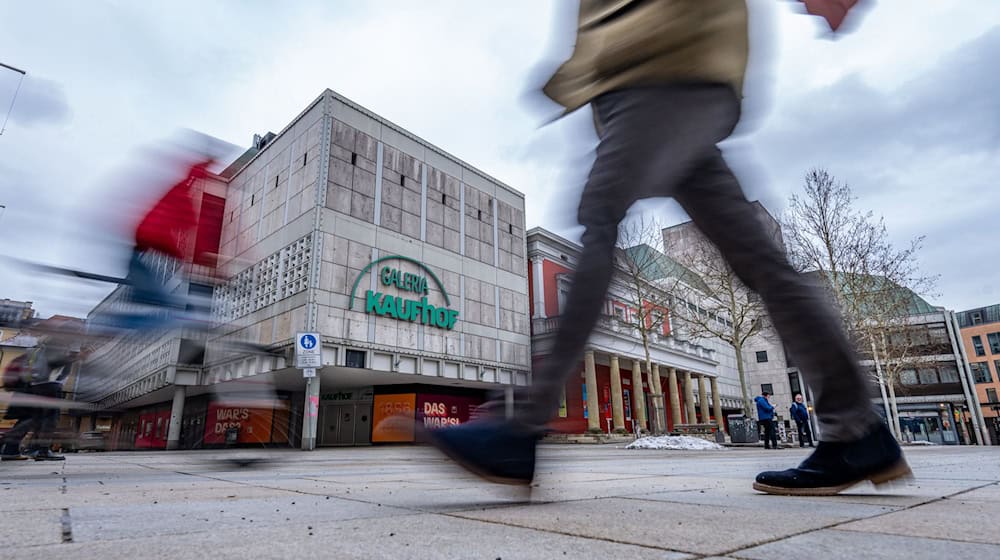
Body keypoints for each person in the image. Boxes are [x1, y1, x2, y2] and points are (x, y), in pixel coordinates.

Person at [424, 0, 911, 496]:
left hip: (659, 72)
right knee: (762, 264)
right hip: (667, 73)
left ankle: (520, 428)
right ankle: (857, 431)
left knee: (601, 222)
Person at [0, 318, 83, 461]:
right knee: (49, 419)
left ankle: (12, 449)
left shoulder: (46, 343)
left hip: (34, 385)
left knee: (31, 419)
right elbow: (53, 362)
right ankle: (40, 450)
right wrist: (74, 357)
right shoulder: (58, 343)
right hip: (48, 384)